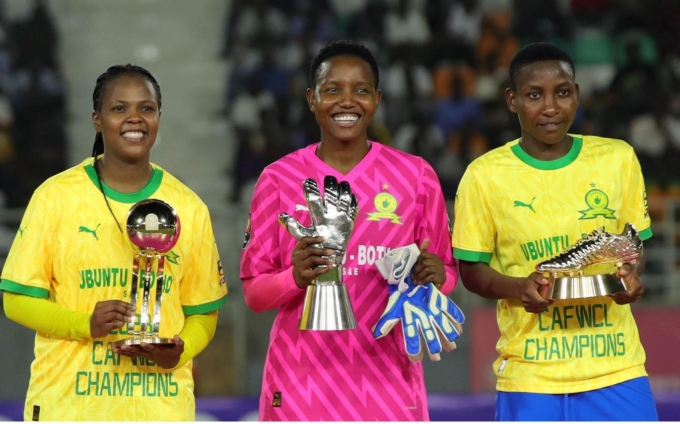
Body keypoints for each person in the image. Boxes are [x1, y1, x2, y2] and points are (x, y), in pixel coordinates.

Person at [240, 40, 459, 421]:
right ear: (312, 99)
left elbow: (447, 273)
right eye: (332, 90)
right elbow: (255, 295)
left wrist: (436, 277)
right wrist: (295, 277)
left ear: (376, 99)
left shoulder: (416, 176)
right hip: (299, 388)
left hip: (389, 388)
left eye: (360, 90)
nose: (346, 101)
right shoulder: (278, 179)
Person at [0, 64, 228, 421]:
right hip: (68, 408)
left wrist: (181, 351)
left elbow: (202, 313)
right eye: (119, 108)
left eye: (146, 108)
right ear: (97, 120)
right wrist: (85, 324)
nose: (134, 118)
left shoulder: (189, 207)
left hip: (159, 410)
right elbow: (16, 301)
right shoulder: (55, 196)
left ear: (159, 118)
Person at [452, 42, 658, 421]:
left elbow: (634, 247)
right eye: (534, 95)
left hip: (617, 368)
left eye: (562, 93)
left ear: (576, 95)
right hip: (529, 375)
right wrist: (520, 288)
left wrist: (631, 274)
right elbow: (471, 270)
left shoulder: (618, 159)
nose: (550, 107)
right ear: (512, 100)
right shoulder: (484, 176)